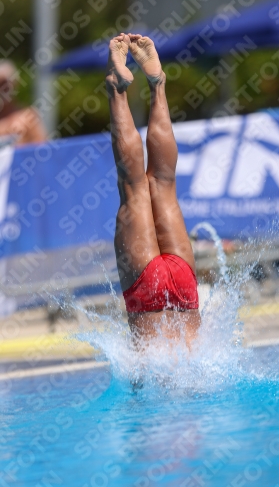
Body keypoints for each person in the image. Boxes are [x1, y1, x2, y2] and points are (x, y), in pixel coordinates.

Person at [106, 33, 201, 346]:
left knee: (162, 182)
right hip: (157, 294)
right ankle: (117, 91)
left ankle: (157, 84)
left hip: (185, 284)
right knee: (133, 186)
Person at [0, 59, 47, 145]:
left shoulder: (28, 116)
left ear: (14, 84)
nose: (3, 88)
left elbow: (42, 147)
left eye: (5, 83)